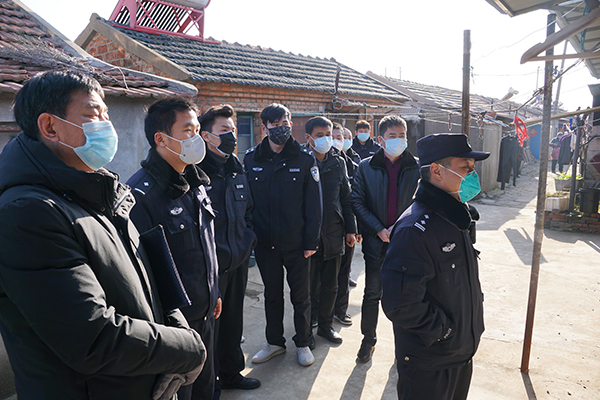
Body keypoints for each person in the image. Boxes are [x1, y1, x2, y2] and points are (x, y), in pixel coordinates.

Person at [0, 70, 205, 400]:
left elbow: (150, 278)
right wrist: (188, 349)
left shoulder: (101, 192)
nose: (107, 125)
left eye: (106, 114)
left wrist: (178, 328)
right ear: (50, 127)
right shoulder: (27, 213)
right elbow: (92, 338)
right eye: (93, 115)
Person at [381, 133, 489, 400]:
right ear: (437, 171)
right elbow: (400, 304)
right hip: (430, 363)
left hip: (460, 353)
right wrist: (446, 332)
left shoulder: (455, 215)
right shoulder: (415, 229)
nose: (472, 176)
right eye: (465, 168)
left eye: (472, 169)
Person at [127, 97, 220, 400]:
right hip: (176, 326)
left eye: (197, 130)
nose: (197, 137)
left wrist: (214, 291)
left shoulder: (194, 181)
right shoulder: (141, 196)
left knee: (206, 385)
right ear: (161, 139)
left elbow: (205, 245)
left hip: (205, 310)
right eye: (188, 131)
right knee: (183, 391)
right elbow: (143, 275)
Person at [244, 103, 322, 367]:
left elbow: (314, 205)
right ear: (264, 127)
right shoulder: (252, 159)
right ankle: (274, 342)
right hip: (265, 243)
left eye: (285, 123)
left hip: (297, 244)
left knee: (301, 296)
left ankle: (303, 342)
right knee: (272, 295)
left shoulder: (304, 159)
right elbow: (247, 204)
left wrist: (311, 241)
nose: (282, 128)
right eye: (275, 124)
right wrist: (251, 238)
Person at [197, 104, 260, 392]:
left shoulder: (236, 169)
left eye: (233, 129)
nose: (231, 135)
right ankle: (209, 385)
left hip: (237, 261)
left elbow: (248, 211)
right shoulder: (195, 173)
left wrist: (247, 241)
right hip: (209, 268)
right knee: (210, 329)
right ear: (206, 136)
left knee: (234, 322)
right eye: (224, 130)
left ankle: (232, 373)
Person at [351, 115, 419, 363]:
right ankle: (368, 339)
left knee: (408, 297)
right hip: (376, 243)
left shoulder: (417, 167)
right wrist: (378, 229)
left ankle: (407, 345)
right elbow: (357, 201)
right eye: (393, 136)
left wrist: (402, 228)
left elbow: (422, 201)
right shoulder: (365, 167)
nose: (398, 140)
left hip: (408, 243)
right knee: (372, 294)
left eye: (402, 136)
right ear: (381, 140)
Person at [305, 118, 357, 344]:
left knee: (331, 285)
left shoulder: (338, 162)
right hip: (309, 236)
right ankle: (307, 327)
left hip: (334, 233)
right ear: (308, 138)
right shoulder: (301, 161)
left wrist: (351, 229)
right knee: (308, 286)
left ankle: (326, 326)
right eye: (320, 135)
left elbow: (346, 197)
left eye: (328, 134)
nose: (326, 139)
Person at [330, 124, 360, 325]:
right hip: (326, 229)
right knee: (323, 276)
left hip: (347, 227)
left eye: (339, 137)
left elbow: (357, 200)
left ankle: (340, 310)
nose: (336, 141)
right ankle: (320, 312)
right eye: (331, 136)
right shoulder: (314, 164)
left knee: (343, 273)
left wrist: (356, 229)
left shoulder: (354, 166)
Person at [343, 126, 361, 288]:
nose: (345, 140)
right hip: (334, 216)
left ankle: (346, 276)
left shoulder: (355, 160)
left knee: (349, 251)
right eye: (342, 137)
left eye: (348, 137)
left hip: (351, 213)